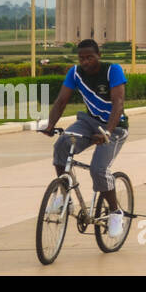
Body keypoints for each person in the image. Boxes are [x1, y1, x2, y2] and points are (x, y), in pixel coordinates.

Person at [41, 38, 130, 238]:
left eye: (90, 57)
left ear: (98, 55)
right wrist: (50, 125)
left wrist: (107, 132)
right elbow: (62, 100)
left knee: (98, 170)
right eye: (82, 58)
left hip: (114, 128)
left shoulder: (112, 71)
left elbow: (118, 103)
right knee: (62, 145)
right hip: (88, 122)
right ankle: (65, 196)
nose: (86, 62)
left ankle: (115, 213)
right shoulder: (75, 73)